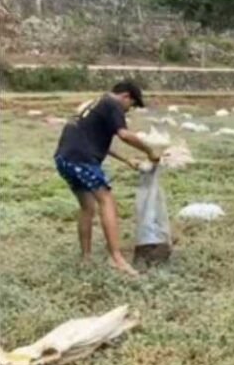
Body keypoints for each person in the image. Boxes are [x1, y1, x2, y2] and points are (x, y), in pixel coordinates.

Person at [54, 81, 160, 277]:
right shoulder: (113, 104)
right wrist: (150, 151)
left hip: (64, 158)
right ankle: (116, 259)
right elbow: (125, 135)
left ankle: (85, 258)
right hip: (81, 159)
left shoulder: (94, 103)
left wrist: (127, 159)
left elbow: (93, 140)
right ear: (126, 96)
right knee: (107, 200)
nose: (129, 110)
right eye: (133, 105)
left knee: (87, 207)